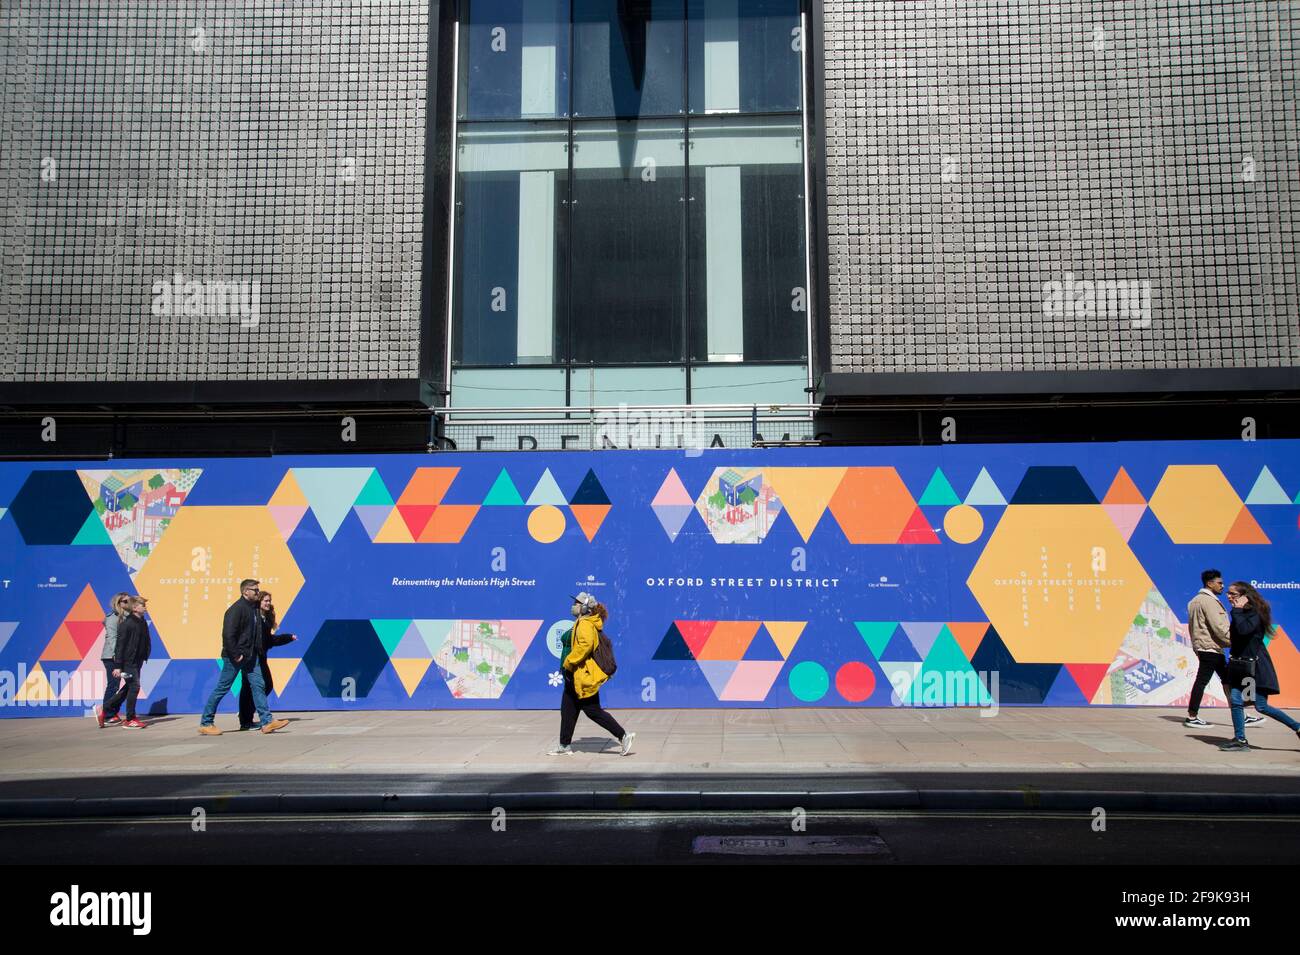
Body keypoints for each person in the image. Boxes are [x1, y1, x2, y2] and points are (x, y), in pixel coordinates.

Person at [198, 578, 289, 736]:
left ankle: (267, 722)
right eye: (255, 590)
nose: (257, 593)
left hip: (251, 657)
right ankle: (206, 722)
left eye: (258, 590)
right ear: (245, 591)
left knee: (259, 686)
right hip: (235, 657)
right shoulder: (236, 609)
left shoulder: (253, 609)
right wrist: (236, 655)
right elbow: (228, 635)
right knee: (222, 688)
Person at [548, 592, 634, 757]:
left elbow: (585, 646)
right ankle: (564, 745)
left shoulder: (585, 624)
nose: (574, 605)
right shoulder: (584, 622)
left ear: (585, 607)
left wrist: (569, 662)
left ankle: (623, 736)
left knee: (593, 710)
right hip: (574, 675)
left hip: (580, 674)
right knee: (568, 709)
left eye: (577, 603)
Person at [1219, 581, 1300, 751]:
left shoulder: (1253, 613)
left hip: (1253, 667)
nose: (1229, 596)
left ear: (1244, 596)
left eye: (1233, 594)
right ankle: (1240, 740)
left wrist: (1237, 610)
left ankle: (1297, 726)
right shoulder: (1241, 612)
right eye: (1228, 593)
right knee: (1236, 700)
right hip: (1239, 666)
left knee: (1260, 706)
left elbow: (1243, 630)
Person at [1185, 569, 1262, 728]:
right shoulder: (1209, 602)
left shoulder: (1194, 601)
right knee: (1203, 681)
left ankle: (1241, 713)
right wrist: (1235, 642)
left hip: (1208, 647)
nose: (1222, 586)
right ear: (1209, 583)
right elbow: (1219, 627)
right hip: (1210, 648)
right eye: (1219, 583)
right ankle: (1192, 717)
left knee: (1227, 680)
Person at [237, 590, 298, 731]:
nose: (268, 603)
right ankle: (247, 720)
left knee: (261, 686)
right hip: (251, 657)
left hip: (260, 656)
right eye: (265, 601)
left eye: (269, 601)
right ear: (259, 602)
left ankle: (247, 716)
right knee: (250, 687)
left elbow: (269, 640)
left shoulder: (265, 619)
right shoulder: (254, 618)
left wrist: (288, 637)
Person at [100, 597, 152, 728]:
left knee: (128, 687)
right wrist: (118, 666)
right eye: (142, 605)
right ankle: (130, 719)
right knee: (134, 687)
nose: (145, 607)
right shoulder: (127, 623)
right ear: (134, 608)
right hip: (129, 661)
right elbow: (120, 646)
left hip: (138, 659)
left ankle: (104, 708)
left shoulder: (142, 622)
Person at [94, 592, 132, 727]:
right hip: (112, 656)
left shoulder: (129, 617)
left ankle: (109, 710)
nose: (128, 603)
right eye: (125, 601)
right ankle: (107, 714)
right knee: (113, 684)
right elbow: (113, 638)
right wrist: (118, 657)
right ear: (118, 603)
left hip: (125, 656)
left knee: (132, 683)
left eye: (130, 601)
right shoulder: (112, 618)